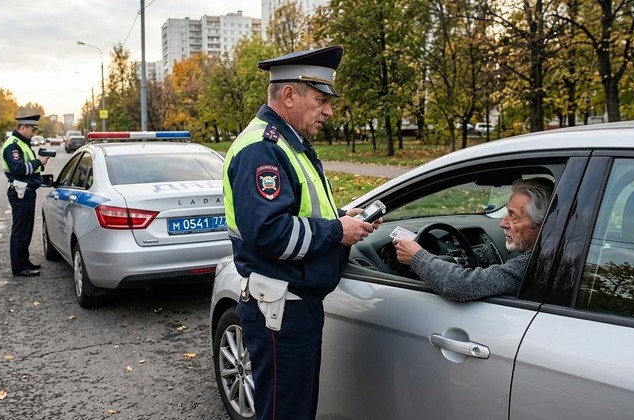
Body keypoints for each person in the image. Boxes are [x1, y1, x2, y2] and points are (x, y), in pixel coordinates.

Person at [223, 45, 379, 420]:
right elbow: (269, 233)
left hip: (292, 307)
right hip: (281, 311)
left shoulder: (287, 144)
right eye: (321, 100)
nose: (329, 111)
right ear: (290, 95)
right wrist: (337, 231)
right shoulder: (262, 150)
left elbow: (297, 213)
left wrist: (342, 218)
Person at [394, 177, 554, 301]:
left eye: (513, 216)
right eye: (506, 213)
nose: (502, 223)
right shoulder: (555, 254)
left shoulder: (532, 266)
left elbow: (461, 286)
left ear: (542, 224)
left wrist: (416, 257)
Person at [1, 114, 50, 277]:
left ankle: (24, 261)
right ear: (23, 127)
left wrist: (39, 164)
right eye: (32, 129)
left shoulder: (22, 143)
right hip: (20, 192)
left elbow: (27, 167)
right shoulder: (13, 145)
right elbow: (19, 169)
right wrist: (39, 162)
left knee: (26, 229)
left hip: (26, 191)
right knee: (20, 230)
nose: (33, 133)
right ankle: (19, 267)